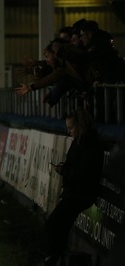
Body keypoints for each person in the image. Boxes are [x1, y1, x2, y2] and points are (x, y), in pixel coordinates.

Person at [44, 107, 103, 265]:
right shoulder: (81, 141)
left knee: (53, 225)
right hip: (76, 192)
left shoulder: (88, 143)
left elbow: (84, 173)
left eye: (71, 128)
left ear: (80, 126)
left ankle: (53, 258)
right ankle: (57, 258)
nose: (68, 131)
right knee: (60, 227)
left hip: (80, 194)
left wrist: (65, 171)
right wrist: (65, 169)